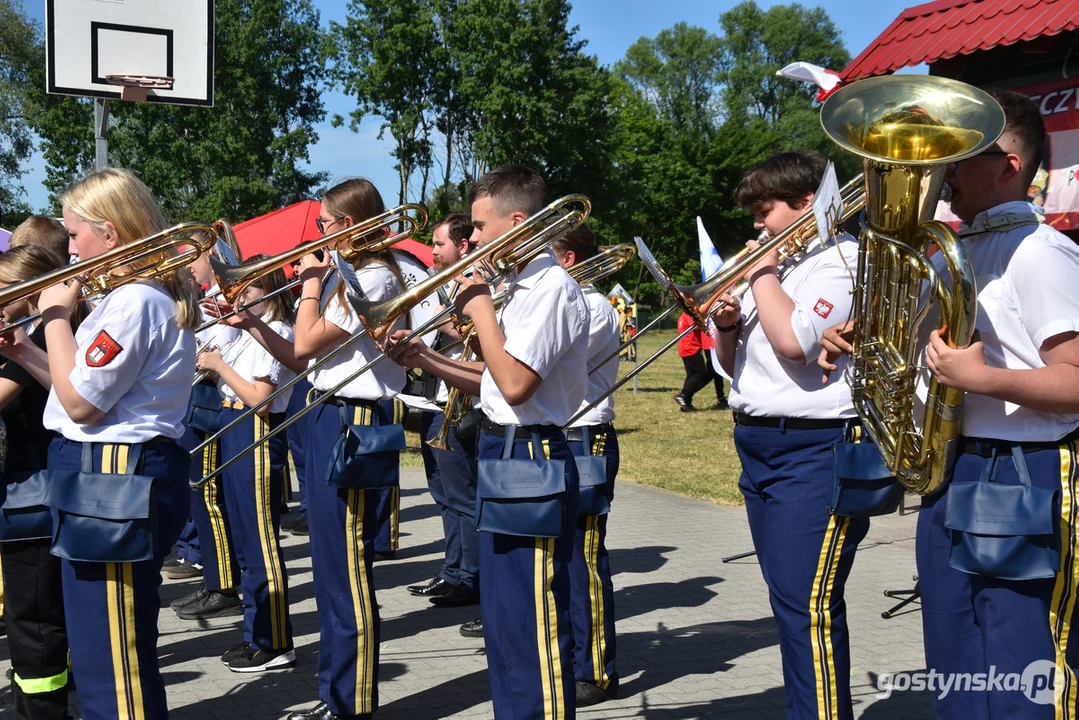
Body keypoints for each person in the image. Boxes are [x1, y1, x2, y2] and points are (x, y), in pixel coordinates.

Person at [820, 91, 1079, 720]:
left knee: (1024, 667)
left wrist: (983, 379)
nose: (941, 174)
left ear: (1009, 164)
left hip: (1026, 470)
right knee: (956, 659)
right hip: (957, 468)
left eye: (959, 157)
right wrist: (868, 337)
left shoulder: (1041, 253)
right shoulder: (949, 251)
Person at [390, 164, 589, 719]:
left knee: (532, 617)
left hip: (533, 453)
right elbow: (494, 381)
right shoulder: (518, 286)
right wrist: (425, 357)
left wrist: (478, 308)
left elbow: (518, 385)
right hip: (505, 449)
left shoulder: (550, 286)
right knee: (503, 616)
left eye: (478, 226)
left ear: (517, 222)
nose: (471, 238)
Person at [37, 167, 199, 719]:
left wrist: (54, 318)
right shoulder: (131, 298)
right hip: (109, 467)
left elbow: (83, 403)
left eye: (74, 234)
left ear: (109, 234)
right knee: (101, 639)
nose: (69, 248)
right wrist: (25, 352)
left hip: (114, 470)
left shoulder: (134, 301)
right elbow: (74, 392)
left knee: (111, 652)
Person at [714, 151, 867, 720]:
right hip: (758, 442)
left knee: (810, 606)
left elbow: (795, 346)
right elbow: (732, 366)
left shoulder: (841, 261)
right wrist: (727, 325)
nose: (756, 224)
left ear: (807, 203)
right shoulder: (780, 266)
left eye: (764, 210)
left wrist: (759, 273)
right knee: (789, 603)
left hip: (815, 448)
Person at [258, 177, 407, 720]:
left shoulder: (371, 280)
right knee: (330, 566)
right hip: (330, 413)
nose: (316, 235)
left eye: (323, 225)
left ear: (346, 226)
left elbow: (305, 341)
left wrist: (311, 282)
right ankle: (337, 695)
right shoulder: (353, 276)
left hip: (354, 419)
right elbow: (304, 360)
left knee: (345, 567)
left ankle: (350, 702)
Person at [195, 255, 298, 672]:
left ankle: (274, 640)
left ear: (268, 291)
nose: (238, 297)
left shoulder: (276, 330)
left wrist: (219, 365)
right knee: (243, 539)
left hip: (254, 429)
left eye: (247, 290)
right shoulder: (245, 328)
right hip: (230, 422)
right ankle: (255, 633)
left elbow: (261, 399)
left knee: (260, 543)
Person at [0, 244, 81, 720]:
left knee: (33, 623)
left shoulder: (38, 340)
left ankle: (43, 713)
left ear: (30, 293)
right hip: (32, 493)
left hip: (34, 498)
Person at [552, 223, 621, 707]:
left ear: (570, 259)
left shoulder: (592, 306)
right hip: (562, 435)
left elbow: (550, 363)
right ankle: (568, 656)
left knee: (584, 560)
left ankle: (595, 669)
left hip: (587, 438)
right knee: (561, 557)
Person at [406, 212, 482, 608]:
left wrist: (444, 322)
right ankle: (452, 570)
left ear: (462, 246)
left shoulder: (474, 285)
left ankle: (471, 577)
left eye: (439, 244)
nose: (432, 251)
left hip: (460, 403)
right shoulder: (440, 286)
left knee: (462, 494)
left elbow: (475, 337)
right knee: (441, 492)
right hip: (430, 398)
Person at [170, 221, 244, 619]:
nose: (187, 267)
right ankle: (213, 578)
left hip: (214, 409)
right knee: (201, 498)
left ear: (211, 255)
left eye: (191, 258)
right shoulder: (207, 298)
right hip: (199, 405)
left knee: (210, 500)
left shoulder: (224, 299)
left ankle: (224, 585)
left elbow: (222, 350)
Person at [674, 311, 727, 412]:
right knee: (701, 373)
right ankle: (684, 395)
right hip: (691, 348)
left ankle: (686, 404)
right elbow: (697, 326)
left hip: (685, 348)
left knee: (691, 376)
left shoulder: (682, 315)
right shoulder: (688, 315)